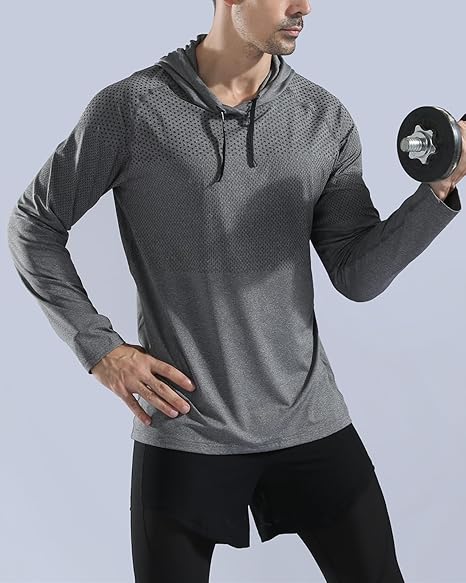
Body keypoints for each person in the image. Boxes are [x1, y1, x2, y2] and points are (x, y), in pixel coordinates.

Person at [7, 0, 465, 581]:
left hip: (307, 416)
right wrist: (101, 349)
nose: (303, 7)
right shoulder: (131, 109)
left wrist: (439, 188)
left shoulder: (323, 119)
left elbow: (357, 276)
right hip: (185, 425)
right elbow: (34, 224)